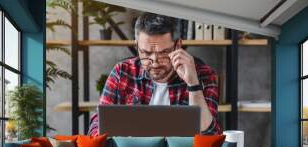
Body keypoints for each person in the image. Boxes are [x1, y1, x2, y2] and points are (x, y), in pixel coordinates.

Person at [88, 13, 222, 136]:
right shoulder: (122, 72)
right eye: (146, 53)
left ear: (178, 45)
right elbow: (96, 126)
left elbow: (210, 135)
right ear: (137, 46)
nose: (155, 63)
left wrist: (193, 84)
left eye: (163, 53)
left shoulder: (204, 74)